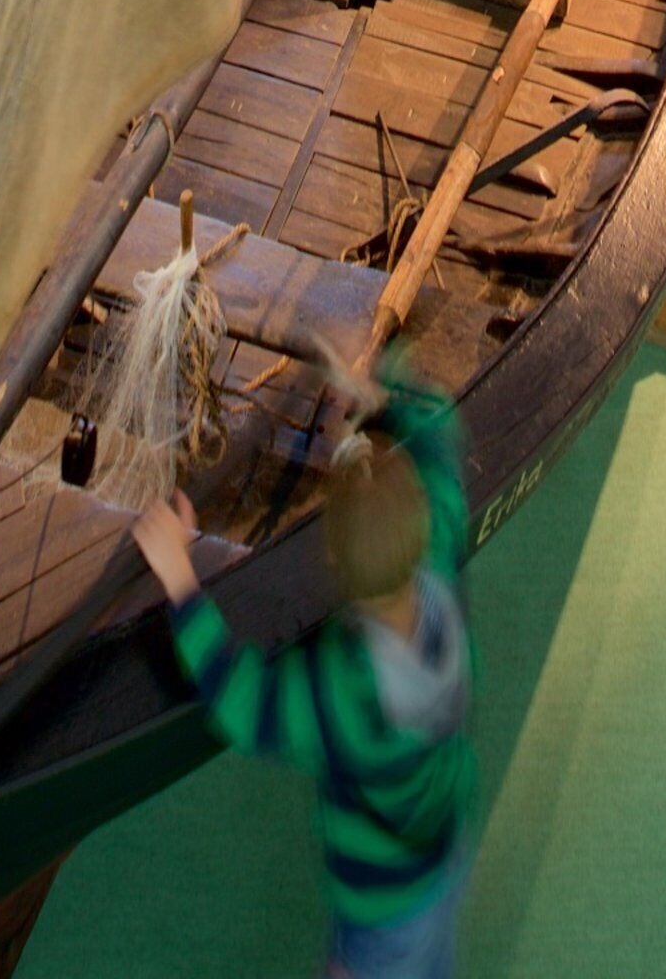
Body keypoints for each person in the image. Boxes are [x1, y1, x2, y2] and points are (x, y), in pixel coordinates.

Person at [131, 336, 475, 979]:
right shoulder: (440, 560)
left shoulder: (342, 692)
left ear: (336, 563)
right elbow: (439, 435)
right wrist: (381, 397)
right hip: (440, 854)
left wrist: (180, 579)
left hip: (377, 904)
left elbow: (246, 706)